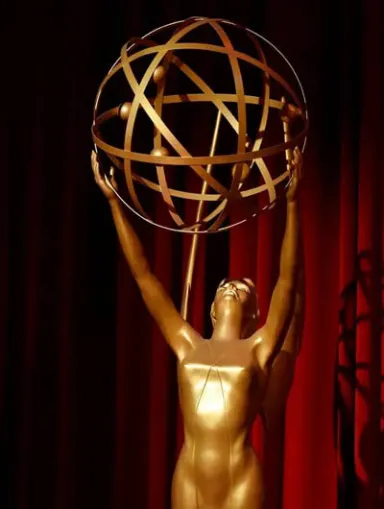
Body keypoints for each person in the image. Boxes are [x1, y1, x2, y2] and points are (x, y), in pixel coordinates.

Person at [91, 149, 304, 509]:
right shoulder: (187, 343)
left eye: (244, 289)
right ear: (211, 310)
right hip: (188, 477)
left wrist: (294, 203)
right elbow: (144, 276)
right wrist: (114, 203)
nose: (232, 287)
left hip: (241, 480)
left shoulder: (260, 346)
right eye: (225, 285)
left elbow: (287, 280)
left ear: (254, 315)